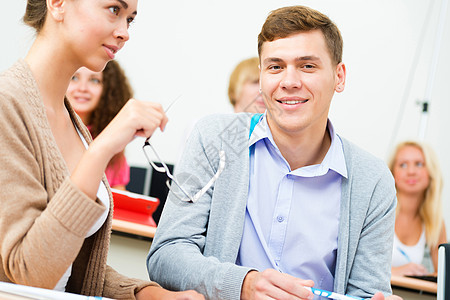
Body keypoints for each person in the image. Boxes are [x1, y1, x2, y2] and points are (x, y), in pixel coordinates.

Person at [148, 5, 400, 300]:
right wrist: (242, 285)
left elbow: (368, 292)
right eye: (275, 66)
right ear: (262, 75)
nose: (289, 81)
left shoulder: (372, 179)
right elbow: (166, 255)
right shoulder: (215, 138)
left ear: (339, 77)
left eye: (307, 66)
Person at [0, 0, 203, 299]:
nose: (125, 32)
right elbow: (31, 274)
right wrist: (103, 148)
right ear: (57, 4)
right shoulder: (7, 106)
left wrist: (148, 294)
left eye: (130, 19)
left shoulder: (71, 122)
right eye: (114, 10)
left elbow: (72, 268)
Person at [66, 61, 132, 190]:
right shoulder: (47, 132)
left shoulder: (112, 144)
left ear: (108, 91)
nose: (82, 88)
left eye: (94, 80)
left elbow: (119, 203)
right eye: (74, 78)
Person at [389, 141, 447, 276]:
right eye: (403, 165)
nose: (411, 172)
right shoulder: (378, 213)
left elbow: (443, 277)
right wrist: (396, 272)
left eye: (419, 164)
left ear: (431, 172)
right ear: (392, 173)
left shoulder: (435, 223)